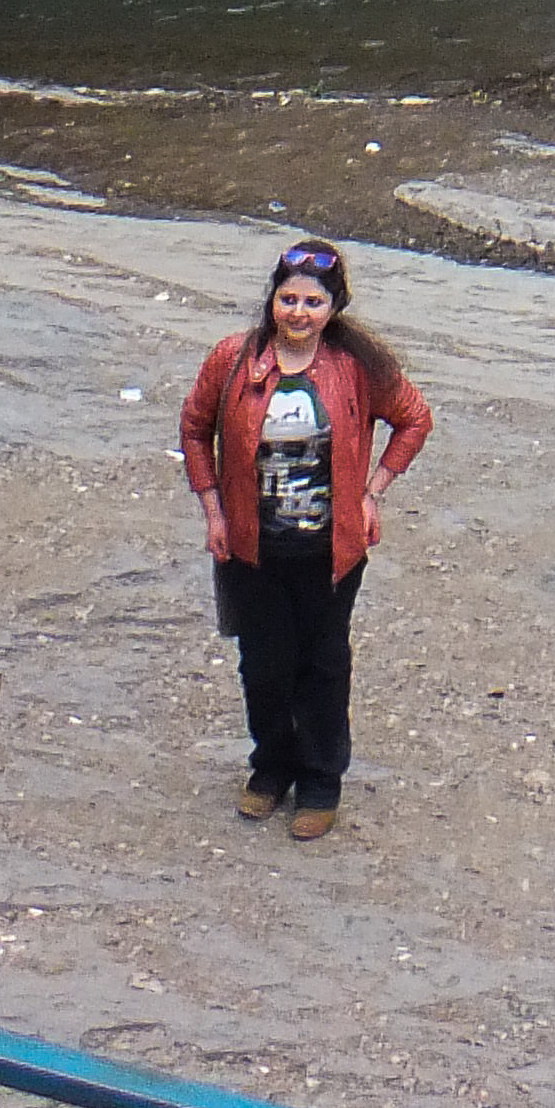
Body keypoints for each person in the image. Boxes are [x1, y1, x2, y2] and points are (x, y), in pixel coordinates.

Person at [179, 238, 432, 841]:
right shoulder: (231, 360)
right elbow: (193, 429)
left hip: (330, 551)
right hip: (252, 546)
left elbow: (414, 418)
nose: (298, 312)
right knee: (263, 666)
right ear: (272, 300)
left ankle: (320, 782)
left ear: (333, 307)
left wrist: (375, 490)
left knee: (322, 665)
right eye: (287, 298)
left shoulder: (359, 366)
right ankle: (270, 770)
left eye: (312, 302)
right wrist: (213, 511)